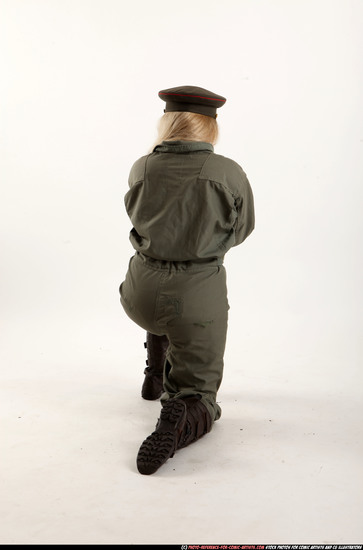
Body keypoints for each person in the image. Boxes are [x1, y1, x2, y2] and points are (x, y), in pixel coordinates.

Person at [119, 85, 255, 475]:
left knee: (163, 311)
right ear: (209, 127)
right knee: (200, 394)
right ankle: (178, 413)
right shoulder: (226, 171)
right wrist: (207, 246)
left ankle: (154, 375)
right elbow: (243, 228)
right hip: (194, 296)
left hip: (138, 292)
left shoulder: (141, 166)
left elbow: (136, 215)